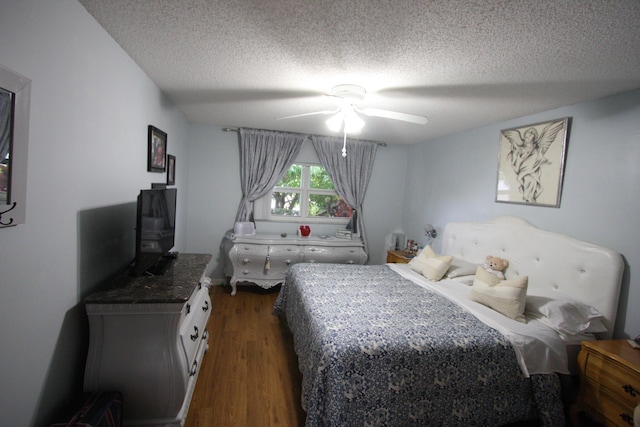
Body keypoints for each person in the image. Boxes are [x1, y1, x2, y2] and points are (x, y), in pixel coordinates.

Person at [503, 119, 565, 203]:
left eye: (529, 136)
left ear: (534, 136)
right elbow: (516, 154)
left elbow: (538, 157)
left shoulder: (537, 149)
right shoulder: (521, 148)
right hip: (523, 169)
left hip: (532, 171)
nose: (527, 138)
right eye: (526, 136)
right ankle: (528, 195)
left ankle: (529, 196)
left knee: (530, 180)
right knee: (524, 179)